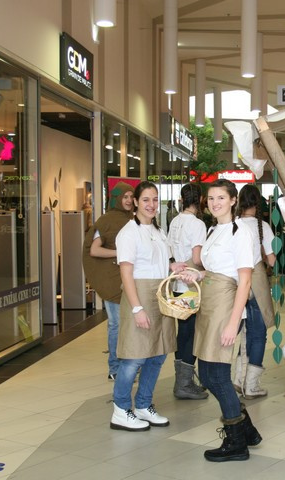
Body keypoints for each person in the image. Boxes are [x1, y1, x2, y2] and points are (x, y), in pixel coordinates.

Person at [180, 179, 262, 462]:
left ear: (233, 200)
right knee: (208, 373)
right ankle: (246, 430)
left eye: (221, 198)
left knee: (215, 375)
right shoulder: (213, 229)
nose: (215, 203)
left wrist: (232, 323)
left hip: (226, 308)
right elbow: (215, 270)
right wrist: (196, 274)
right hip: (209, 304)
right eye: (211, 198)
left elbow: (244, 281)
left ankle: (236, 442)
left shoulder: (241, 233)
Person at [110, 181, 186, 432]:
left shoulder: (158, 230)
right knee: (134, 357)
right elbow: (126, 274)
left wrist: (172, 267)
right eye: (145, 200)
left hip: (160, 294)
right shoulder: (128, 233)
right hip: (139, 296)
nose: (151, 204)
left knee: (158, 353)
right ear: (135, 202)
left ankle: (143, 404)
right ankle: (121, 409)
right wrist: (136, 309)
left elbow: (157, 262)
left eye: (154, 199)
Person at [82, 182, 134, 381]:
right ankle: (115, 368)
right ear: (116, 198)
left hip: (127, 278)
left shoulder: (132, 219)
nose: (128, 200)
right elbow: (94, 250)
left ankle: (127, 366)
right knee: (116, 324)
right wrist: (120, 253)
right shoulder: (105, 221)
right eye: (125, 197)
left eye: (131, 196)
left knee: (128, 324)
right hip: (111, 281)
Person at [233, 184, 276, 399]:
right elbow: (272, 260)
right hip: (257, 282)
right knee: (258, 334)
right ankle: (251, 385)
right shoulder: (263, 227)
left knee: (240, 332)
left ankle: (238, 378)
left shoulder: (233, 225)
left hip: (236, 283)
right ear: (258, 203)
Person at [167, 184, 209, 400]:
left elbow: (170, 251)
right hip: (192, 284)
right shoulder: (198, 224)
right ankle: (184, 384)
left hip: (177, 284)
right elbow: (198, 258)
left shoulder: (175, 221)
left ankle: (181, 381)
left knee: (182, 333)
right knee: (192, 334)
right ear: (200, 199)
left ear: (182, 199)